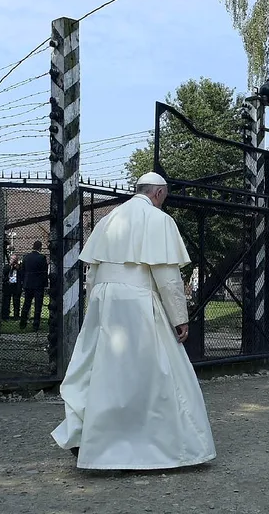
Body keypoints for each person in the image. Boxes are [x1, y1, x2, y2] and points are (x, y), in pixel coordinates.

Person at [51, 171, 215, 471]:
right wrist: (180, 318)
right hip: (138, 302)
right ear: (160, 193)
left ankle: (87, 438)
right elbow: (167, 278)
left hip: (104, 301)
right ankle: (152, 447)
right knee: (152, 374)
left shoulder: (110, 219)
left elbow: (92, 273)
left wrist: (94, 309)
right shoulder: (159, 220)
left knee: (99, 370)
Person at [19, 241, 49, 331]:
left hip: (28, 283)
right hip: (38, 284)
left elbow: (22, 270)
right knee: (38, 305)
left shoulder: (26, 257)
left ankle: (22, 323)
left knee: (26, 304)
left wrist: (23, 282)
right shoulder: (42, 258)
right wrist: (45, 284)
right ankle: (36, 325)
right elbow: (44, 272)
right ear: (40, 247)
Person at [1, 253, 21, 320]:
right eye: (13, 259)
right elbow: (4, 274)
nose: (14, 261)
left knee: (16, 302)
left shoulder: (19, 267)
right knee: (6, 301)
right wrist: (10, 266)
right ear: (10, 259)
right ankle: (5, 315)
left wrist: (17, 267)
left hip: (16, 285)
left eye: (16, 260)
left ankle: (16, 316)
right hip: (8, 285)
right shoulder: (7, 266)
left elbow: (22, 274)